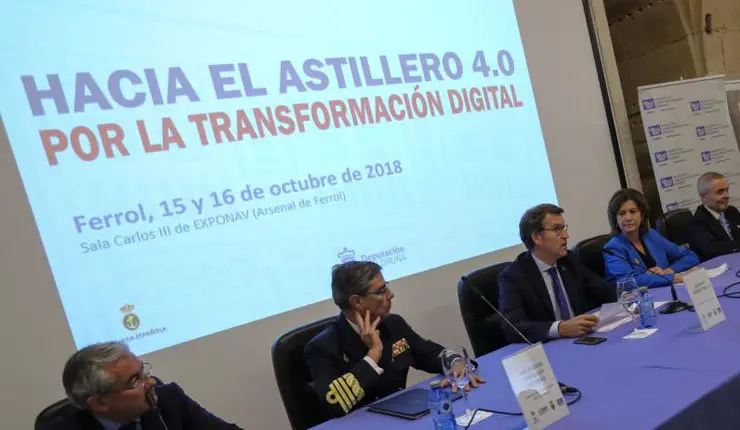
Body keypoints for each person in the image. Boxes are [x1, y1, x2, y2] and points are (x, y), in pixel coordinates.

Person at [305, 261, 484, 418]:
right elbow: (334, 405)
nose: (390, 295)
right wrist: (373, 354)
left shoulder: (393, 324)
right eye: (381, 291)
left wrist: (456, 364)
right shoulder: (323, 347)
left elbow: (430, 354)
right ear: (357, 302)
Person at [42, 341, 243, 430]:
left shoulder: (170, 399)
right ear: (100, 403)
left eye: (143, 372)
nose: (150, 382)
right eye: (134, 381)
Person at [498, 204, 616, 344]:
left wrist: (631, 295)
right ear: (537, 237)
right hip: (549, 349)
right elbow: (512, 327)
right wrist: (560, 328)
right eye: (557, 229)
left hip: (583, 341)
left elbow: (603, 290)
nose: (566, 236)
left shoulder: (568, 260)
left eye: (564, 228)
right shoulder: (514, 276)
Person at [604, 188, 699, 287]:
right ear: (615, 219)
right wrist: (671, 278)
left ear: (642, 215)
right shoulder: (612, 249)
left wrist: (669, 271)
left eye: (633, 211)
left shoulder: (651, 235)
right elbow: (630, 281)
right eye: (622, 213)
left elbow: (690, 256)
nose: (628, 218)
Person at [688, 172, 740, 261]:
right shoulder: (697, 222)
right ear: (704, 196)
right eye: (720, 192)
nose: (726, 196)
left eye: (727, 190)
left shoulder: (732, 211)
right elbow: (714, 251)